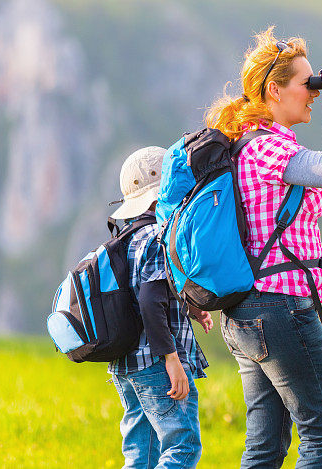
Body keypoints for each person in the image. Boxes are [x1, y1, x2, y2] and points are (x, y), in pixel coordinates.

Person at [205, 27, 322, 468]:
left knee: (265, 448)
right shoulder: (271, 149)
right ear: (275, 90)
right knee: (321, 437)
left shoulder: (247, 146)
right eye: (308, 84)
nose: (314, 92)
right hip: (282, 308)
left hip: (246, 311)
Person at [108, 146, 214, 469]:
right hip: (155, 362)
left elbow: (146, 289)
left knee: (141, 454)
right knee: (182, 447)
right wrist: (172, 360)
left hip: (126, 363)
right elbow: (150, 301)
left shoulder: (126, 237)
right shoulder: (157, 235)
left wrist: (191, 308)